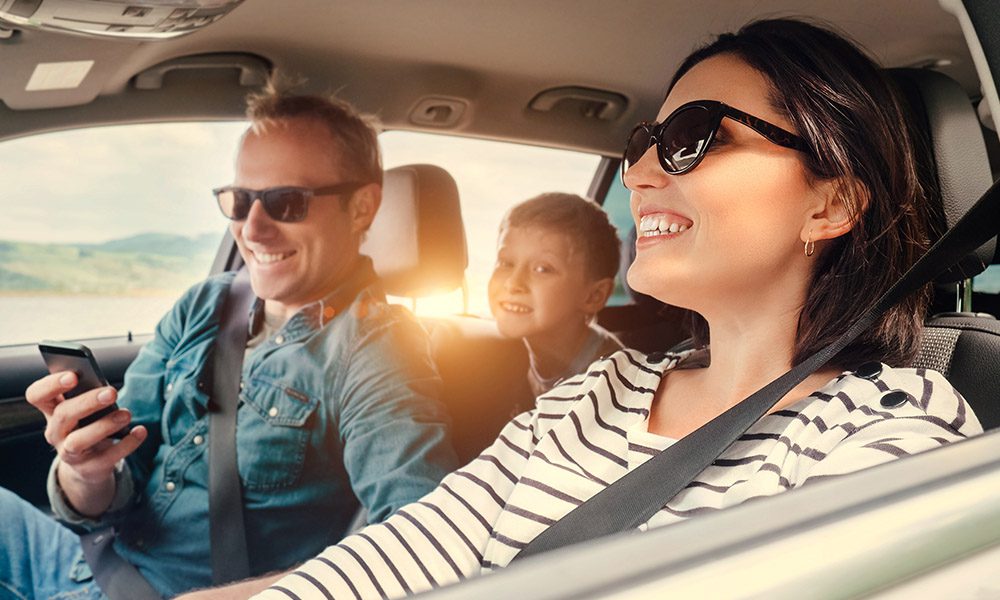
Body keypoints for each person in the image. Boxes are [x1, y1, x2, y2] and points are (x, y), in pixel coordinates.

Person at [182, 18, 983, 600]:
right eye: (640, 143)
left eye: (691, 139)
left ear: (831, 203)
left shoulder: (890, 434)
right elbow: (394, 562)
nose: (637, 175)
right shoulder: (593, 396)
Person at [0, 86, 460, 598]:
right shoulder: (204, 304)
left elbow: (423, 542)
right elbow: (123, 468)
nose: (253, 230)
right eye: (240, 201)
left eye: (287, 203)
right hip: (90, 563)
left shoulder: (376, 349)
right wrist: (84, 472)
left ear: (362, 208)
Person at [488, 193, 623, 400]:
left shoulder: (609, 383)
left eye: (542, 269)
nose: (513, 283)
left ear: (594, 296)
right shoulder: (513, 357)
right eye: (506, 263)